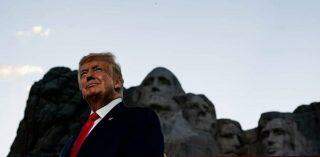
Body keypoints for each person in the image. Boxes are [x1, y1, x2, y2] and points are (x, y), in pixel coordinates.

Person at [60, 52, 164, 157]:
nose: (89, 76)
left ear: (117, 82)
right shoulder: (74, 135)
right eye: (83, 74)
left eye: (97, 69)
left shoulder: (140, 118)